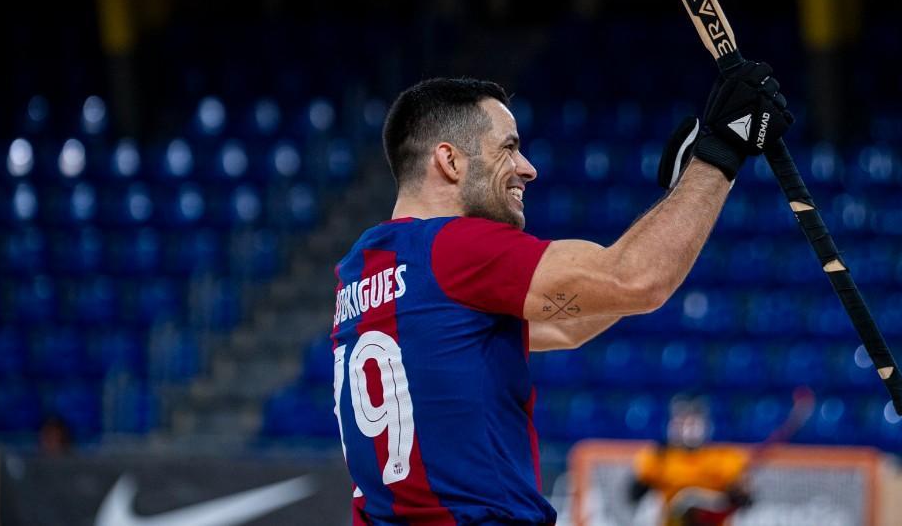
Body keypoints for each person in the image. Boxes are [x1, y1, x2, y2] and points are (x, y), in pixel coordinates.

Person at [330, 61, 793, 524]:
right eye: (508, 148)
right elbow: (637, 280)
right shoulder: (454, 247)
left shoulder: (361, 270)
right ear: (450, 161)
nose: (527, 169)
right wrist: (723, 149)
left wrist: (679, 204)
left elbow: (570, 324)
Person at [628, 396, 752, 526]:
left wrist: (738, 493)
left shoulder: (724, 458)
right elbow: (633, 496)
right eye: (682, 422)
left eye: (693, 422)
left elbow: (744, 502)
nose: (688, 428)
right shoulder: (660, 458)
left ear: (706, 425)